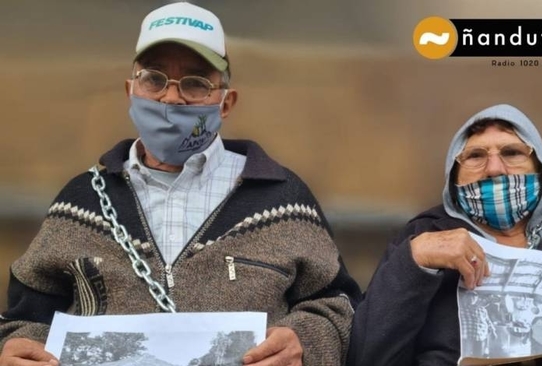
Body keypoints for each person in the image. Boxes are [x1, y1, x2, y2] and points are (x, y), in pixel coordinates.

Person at [0, 3, 361, 366]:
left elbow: (337, 304)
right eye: (154, 79)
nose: (171, 98)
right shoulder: (80, 202)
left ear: (225, 102)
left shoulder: (283, 199)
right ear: (131, 91)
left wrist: (305, 343)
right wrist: (17, 348)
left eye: (195, 83)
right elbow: (27, 316)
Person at [346, 104, 542, 366]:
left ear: (540, 169)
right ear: (453, 179)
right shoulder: (423, 237)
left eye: (512, 152)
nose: (494, 169)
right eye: (475, 156)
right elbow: (368, 357)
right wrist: (415, 261)